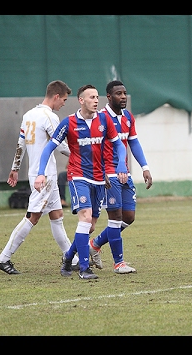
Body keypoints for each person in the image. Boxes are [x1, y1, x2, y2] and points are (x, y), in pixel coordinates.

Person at [34, 84, 128, 280]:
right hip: (78, 177)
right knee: (84, 219)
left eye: (97, 97)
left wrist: (121, 165)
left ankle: (68, 258)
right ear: (81, 100)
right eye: (92, 97)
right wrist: (40, 173)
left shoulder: (104, 120)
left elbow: (118, 144)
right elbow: (49, 147)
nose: (96, 100)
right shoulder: (69, 123)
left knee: (90, 226)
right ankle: (85, 268)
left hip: (99, 179)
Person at [0, 80, 80, 274]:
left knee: (57, 215)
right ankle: (3, 258)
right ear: (56, 96)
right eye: (64, 100)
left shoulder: (28, 115)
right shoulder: (49, 117)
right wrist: (80, 154)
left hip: (37, 173)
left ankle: (71, 258)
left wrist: (15, 168)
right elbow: (60, 144)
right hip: (45, 175)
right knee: (32, 217)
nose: (64, 104)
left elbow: (20, 143)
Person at [88, 80, 153, 273]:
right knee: (115, 218)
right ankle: (119, 263)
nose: (123, 97)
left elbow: (134, 143)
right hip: (108, 175)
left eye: (124, 93)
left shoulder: (128, 117)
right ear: (109, 97)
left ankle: (95, 245)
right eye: (118, 94)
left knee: (129, 217)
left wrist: (145, 167)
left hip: (124, 173)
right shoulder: (100, 118)